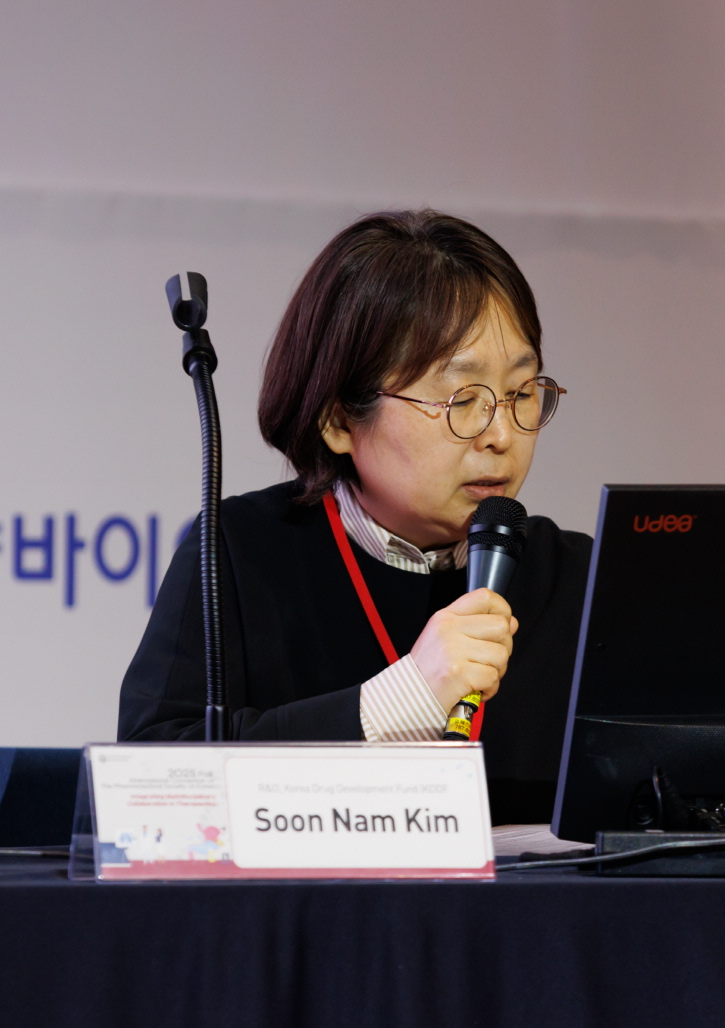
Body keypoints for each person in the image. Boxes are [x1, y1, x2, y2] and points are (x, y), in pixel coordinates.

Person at [117, 210, 590, 824]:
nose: (501, 434)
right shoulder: (239, 554)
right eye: (462, 400)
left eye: (522, 394)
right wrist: (401, 701)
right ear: (339, 419)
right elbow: (152, 791)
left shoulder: (579, 578)